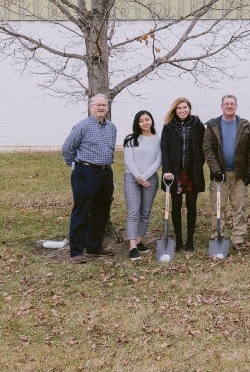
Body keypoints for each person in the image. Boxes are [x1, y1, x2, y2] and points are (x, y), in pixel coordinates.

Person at [61, 94, 117, 264]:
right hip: (85, 172)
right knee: (82, 210)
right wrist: (76, 166)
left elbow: (111, 148)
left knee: (101, 210)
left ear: (107, 108)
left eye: (104, 105)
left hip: (105, 173)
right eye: (98, 105)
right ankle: (76, 251)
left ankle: (94, 247)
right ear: (91, 107)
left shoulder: (111, 127)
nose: (101, 108)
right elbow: (68, 148)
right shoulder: (82, 126)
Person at [203, 94, 250, 249]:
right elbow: (208, 150)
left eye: (232, 104)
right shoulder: (212, 126)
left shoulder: (244, 125)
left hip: (239, 174)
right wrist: (215, 170)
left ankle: (238, 238)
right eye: (226, 104)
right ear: (221, 106)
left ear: (236, 106)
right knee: (218, 208)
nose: (229, 106)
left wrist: (249, 172)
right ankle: (217, 236)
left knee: (239, 207)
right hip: (220, 175)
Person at [161, 97, 206, 251]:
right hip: (175, 172)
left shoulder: (197, 125)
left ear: (189, 108)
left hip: (192, 171)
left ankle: (190, 241)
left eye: (185, 107)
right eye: (179, 108)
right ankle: (179, 241)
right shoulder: (169, 126)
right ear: (175, 110)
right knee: (177, 206)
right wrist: (166, 170)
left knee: (191, 206)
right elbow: (164, 149)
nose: (182, 110)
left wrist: (200, 163)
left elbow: (204, 146)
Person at [123, 110, 161, 261]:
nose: (145, 122)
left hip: (150, 179)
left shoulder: (158, 140)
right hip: (132, 178)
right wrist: (138, 177)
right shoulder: (131, 139)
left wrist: (145, 177)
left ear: (151, 121)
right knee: (133, 211)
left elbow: (158, 161)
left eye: (147, 119)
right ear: (137, 123)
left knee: (145, 211)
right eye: (141, 120)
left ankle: (139, 241)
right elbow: (128, 160)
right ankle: (132, 247)